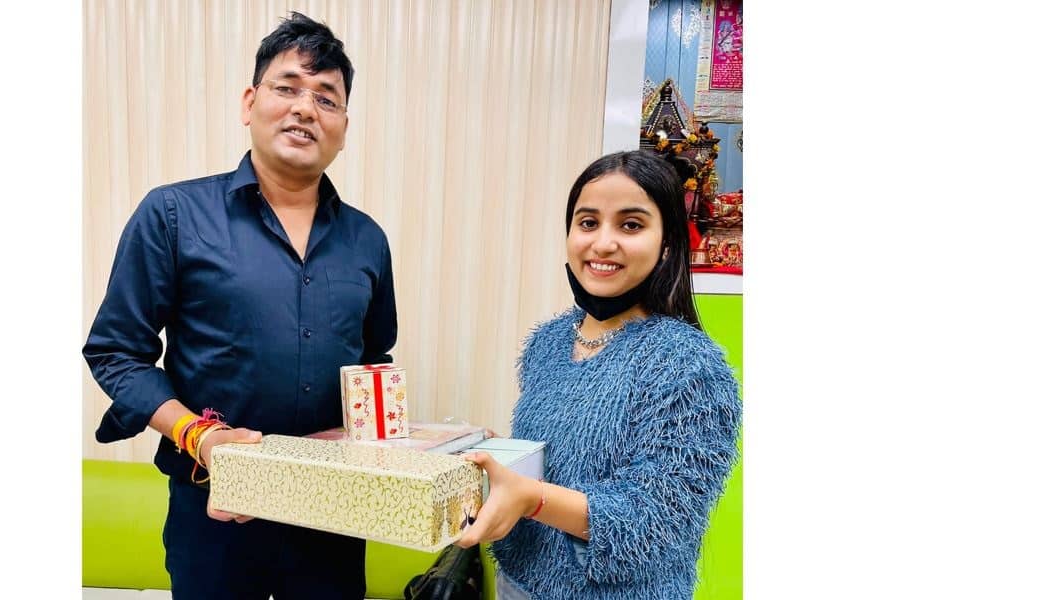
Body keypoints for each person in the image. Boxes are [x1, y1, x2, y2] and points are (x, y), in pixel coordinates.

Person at [82, 12, 396, 600]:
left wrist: (419, 448)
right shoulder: (173, 215)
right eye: (287, 87)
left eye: (326, 98)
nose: (305, 108)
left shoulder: (367, 239)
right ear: (250, 103)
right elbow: (115, 353)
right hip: (212, 510)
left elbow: (374, 362)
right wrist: (200, 436)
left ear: (344, 127)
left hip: (330, 512)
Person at [456, 150, 741, 599]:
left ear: (667, 243)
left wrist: (531, 497)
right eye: (588, 222)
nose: (603, 243)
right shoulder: (548, 341)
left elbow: (660, 520)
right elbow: (559, 461)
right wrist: (501, 459)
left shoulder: (690, 365)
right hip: (519, 581)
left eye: (631, 225)